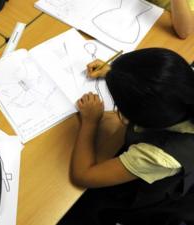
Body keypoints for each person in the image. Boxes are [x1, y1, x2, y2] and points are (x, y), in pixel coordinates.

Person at [59, 48, 194, 225]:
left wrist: (90, 122)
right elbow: (159, 82)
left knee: (81, 208)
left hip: (146, 197)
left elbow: (82, 175)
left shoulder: (157, 155)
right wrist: (116, 74)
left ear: (140, 120)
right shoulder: (184, 85)